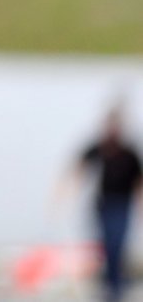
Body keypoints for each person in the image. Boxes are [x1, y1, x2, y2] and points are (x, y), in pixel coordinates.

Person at [77, 107, 143, 300]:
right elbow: (80, 167)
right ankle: (109, 283)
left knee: (118, 243)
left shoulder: (129, 153)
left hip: (122, 204)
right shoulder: (99, 148)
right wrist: (64, 195)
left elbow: (138, 183)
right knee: (106, 243)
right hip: (104, 204)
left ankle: (116, 284)